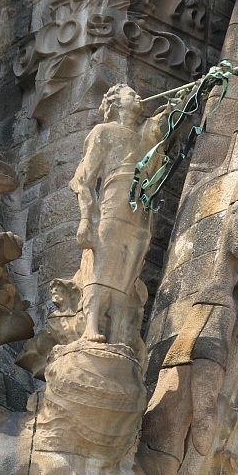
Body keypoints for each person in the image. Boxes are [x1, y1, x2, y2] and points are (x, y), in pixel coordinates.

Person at [70, 84, 165, 346]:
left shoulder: (144, 136)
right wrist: (86, 219)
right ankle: (90, 326)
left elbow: (156, 160)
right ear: (115, 104)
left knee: (130, 269)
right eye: (130, 94)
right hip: (113, 202)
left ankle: (117, 334)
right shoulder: (103, 132)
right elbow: (82, 180)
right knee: (103, 264)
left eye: (137, 93)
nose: (138, 96)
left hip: (141, 208)